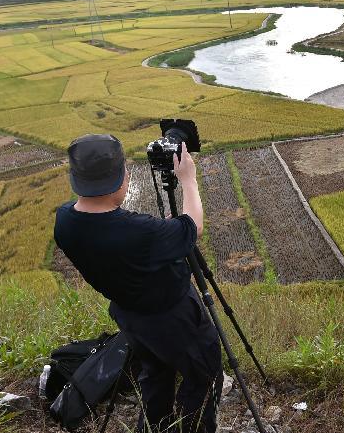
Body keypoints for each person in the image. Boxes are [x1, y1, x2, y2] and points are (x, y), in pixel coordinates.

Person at [53, 134, 221, 433]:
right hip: (174, 317)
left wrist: (164, 231)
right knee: (204, 374)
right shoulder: (138, 231)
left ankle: (154, 427)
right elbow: (192, 227)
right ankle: (193, 427)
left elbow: (122, 245)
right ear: (118, 180)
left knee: (155, 373)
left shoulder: (65, 221)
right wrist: (189, 180)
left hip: (131, 317)